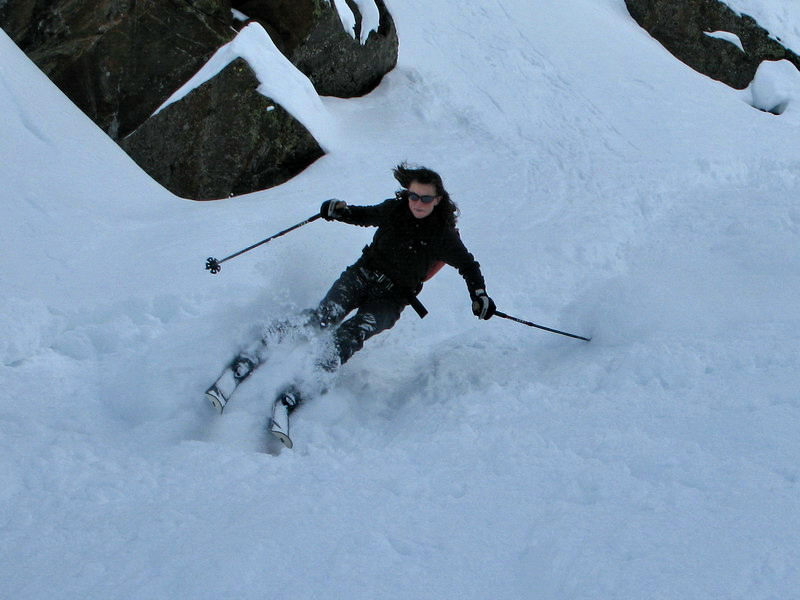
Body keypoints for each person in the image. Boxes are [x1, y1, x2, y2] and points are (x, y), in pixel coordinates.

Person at [205, 163, 496, 447]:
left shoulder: (442, 236)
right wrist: (338, 211)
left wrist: (479, 295)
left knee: (349, 334)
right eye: (413, 196)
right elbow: (363, 215)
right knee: (322, 318)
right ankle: (254, 353)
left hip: (392, 299)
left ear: (438, 200)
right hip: (361, 275)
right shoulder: (394, 210)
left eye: (425, 198)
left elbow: (469, 266)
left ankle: (300, 391)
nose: (418, 203)